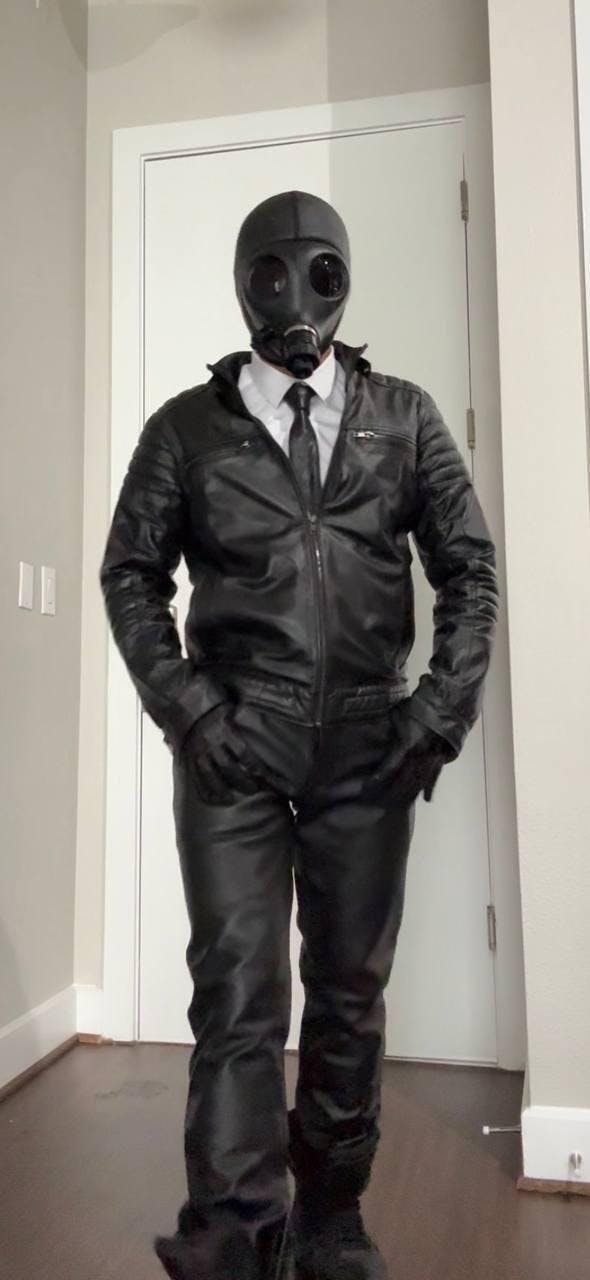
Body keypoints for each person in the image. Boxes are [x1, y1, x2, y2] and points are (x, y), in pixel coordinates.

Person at [99, 190, 499, 1280]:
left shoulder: (403, 417)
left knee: (348, 993)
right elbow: (131, 575)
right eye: (270, 273)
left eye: (319, 272)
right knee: (236, 992)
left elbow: (468, 569)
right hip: (233, 746)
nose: (295, 298)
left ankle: (329, 1214)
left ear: (343, 281)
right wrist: (190, 710)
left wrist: (437, 713)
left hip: (368, 749)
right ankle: (235, 1231)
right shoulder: (185, 429)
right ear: (243, 286)